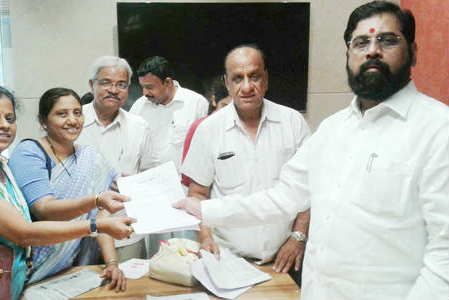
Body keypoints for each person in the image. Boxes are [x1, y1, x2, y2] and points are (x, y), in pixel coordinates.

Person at [174, 2, 449, 299]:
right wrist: (204, 209)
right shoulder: (332, 129)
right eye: (361, 42)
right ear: (348, 55)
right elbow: (284, 197)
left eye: (387, 40)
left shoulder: (438, 130)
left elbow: (444, 257)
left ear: (414, 52)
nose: (372, 50)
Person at [0, 84, 135, 300]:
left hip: (7, 284)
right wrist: (95, 223)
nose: (3, 125)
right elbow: (22, 233)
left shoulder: (1, 166)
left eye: (10, 119)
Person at [181, 45, 311, 286]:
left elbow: (308, 189)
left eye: (254, 76)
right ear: (227, 83)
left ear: (266, 78)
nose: (247, 87)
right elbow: (198, 194)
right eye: (237, 78)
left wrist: (298, 238)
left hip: (286, 259)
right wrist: (205, 237)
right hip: (229, 259)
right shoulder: (208, 129)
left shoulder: (293, 122)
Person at [8, 87, 129, 290]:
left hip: (77, 270)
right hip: (36, 268)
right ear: (43, 121)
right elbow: (44, 209)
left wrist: (112, 264)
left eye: (77, 113)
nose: (72, 120)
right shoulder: (29, 153)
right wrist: (96, 199)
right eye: (62, 114)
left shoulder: (91, 157)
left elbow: (101, 218)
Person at [77, 55, 157, 262]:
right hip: (77, 234)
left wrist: (135, 183)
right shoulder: (73, 120)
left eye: (121, 84)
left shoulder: (139, 126)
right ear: (91, 85)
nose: (114, 90)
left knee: (128, 291)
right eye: (106, 83)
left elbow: (151, 173)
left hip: (124, 233)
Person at [129, 56, 209, 256]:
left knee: (188, 251)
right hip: (152, 195)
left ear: (168, 82)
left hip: (187, 192)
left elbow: (206, 149)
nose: (145, 92)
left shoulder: (196, 103)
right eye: (143, 87)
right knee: (157, 253)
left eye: (150, 87)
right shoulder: (139, 106)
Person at [181, 75, 231, 188]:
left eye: (235, 108)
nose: (229, 113)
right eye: (225, 106)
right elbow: (187, 177)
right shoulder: (200, 127)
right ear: (214, 101)